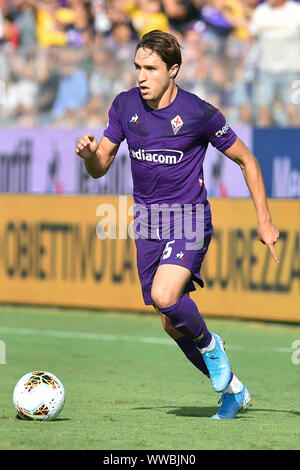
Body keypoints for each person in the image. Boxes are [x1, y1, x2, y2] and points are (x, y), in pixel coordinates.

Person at [75, 30, 280, 419]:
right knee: (170, 321)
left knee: (167, 297)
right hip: (148, 223)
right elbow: (100, 166)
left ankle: (212, 348)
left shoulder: (199, 113)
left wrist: (265, 222)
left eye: (150, 68)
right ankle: (233, 390)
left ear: (173, 70)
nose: (141, 76)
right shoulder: (123, 106)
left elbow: (248, 161)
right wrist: (88, 156)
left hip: (189, 219)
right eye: (137, 67)